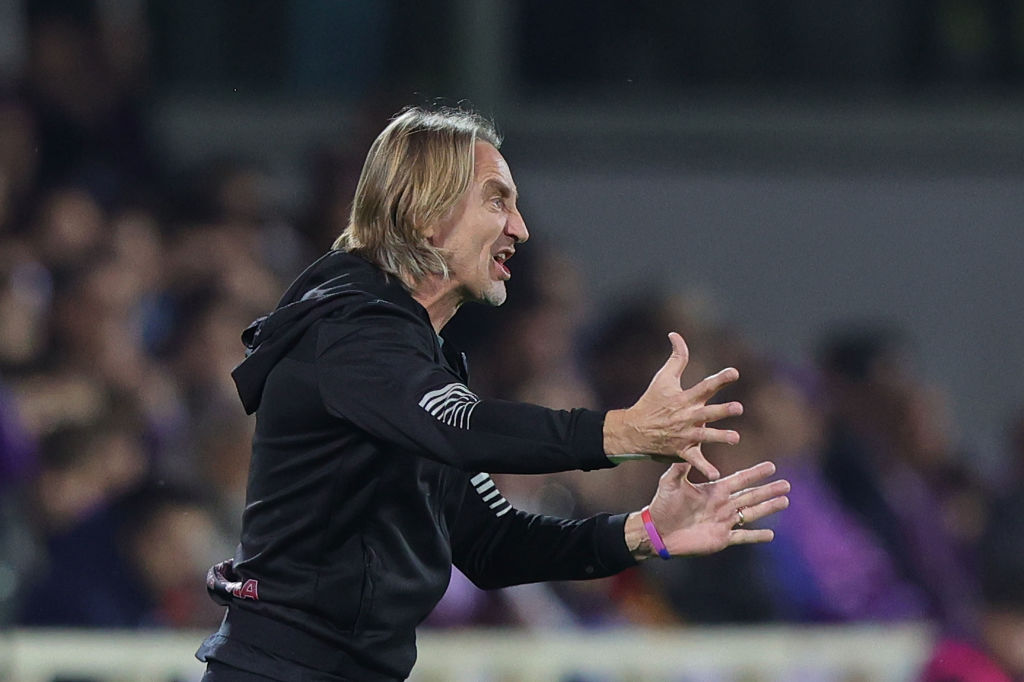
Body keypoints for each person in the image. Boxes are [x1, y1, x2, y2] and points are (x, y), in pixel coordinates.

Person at [195, 106, 790, 682]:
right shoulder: (349, 332)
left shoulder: (411, 364)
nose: (520, 229)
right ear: (426, 212)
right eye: (497, 200)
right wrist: (623, 433)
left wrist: (644, 531)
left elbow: (491, 544)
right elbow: (463, 427)